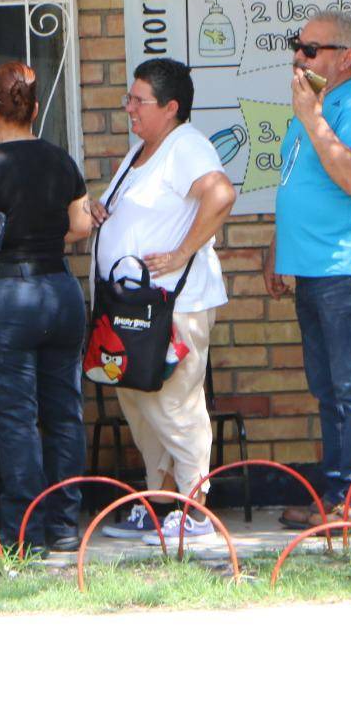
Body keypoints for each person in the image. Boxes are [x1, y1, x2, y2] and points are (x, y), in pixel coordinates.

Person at [91, 59, 235, 545]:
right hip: (131, 307)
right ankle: (160, 502)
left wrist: (181, 252)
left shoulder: (186, 146)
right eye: (129, 98)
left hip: (174, 304)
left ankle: (196, 511)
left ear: (171, 107)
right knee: (139, 398)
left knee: (175, 404)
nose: (129, 108)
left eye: (139, 100)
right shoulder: (142, 150)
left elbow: (220, 195)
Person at [0, 61, 93, 557]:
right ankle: (64, 525)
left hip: (6, 298)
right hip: (60, 291)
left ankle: (22, 532)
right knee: (64, 414)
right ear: (33, 110)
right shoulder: (60, 160)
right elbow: (81, 225)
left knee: (15, 419)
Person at [266, 11, 351, 531]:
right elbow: (298, 186)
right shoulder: (312, 109)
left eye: (311, 48)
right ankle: (339, 495)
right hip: (312, 267)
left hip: (346, 266)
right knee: (328, 388)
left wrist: (313, 118)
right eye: (296, 45)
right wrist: (277, 248)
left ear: (345, 58)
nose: (299, 56)